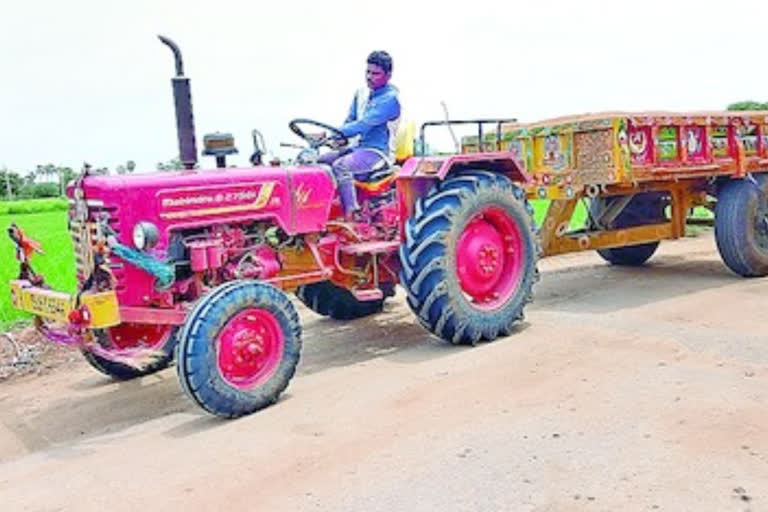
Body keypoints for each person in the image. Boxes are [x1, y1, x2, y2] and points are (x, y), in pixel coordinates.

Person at [320, 51, 401, 219]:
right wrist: (334, 138)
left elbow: (363, 125)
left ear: (388, 75)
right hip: (357, 149)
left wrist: (332, 133)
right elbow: (350, 120)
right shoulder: (361, 95)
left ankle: (351, 213)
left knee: (341, 166)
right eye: (368, 72)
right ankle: (323, 213)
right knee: (318, 162)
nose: (370, 77)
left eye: (376, 73)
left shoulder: (390, 99)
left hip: (377, 153)